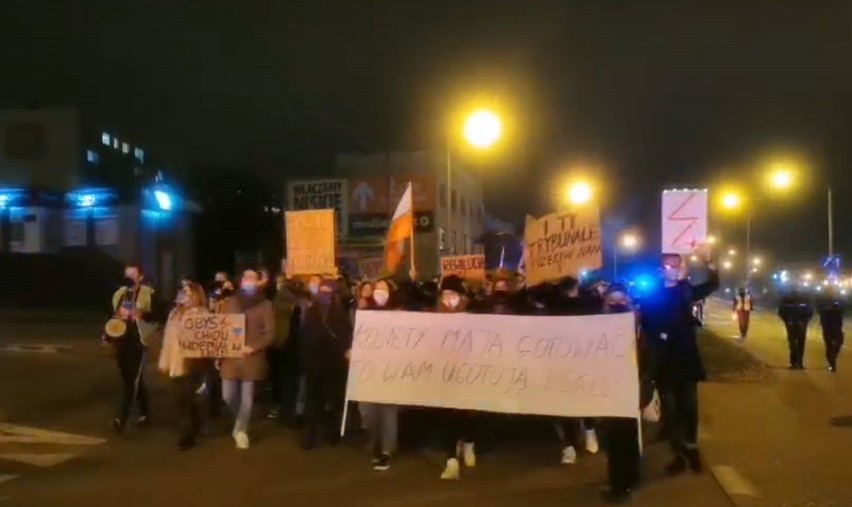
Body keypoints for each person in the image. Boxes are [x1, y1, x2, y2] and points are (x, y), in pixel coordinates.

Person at [641, 248, 719, 476]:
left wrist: (710, 262)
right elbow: (646, 322)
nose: (673, 269)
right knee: (670, 411)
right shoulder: (652, 294)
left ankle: (691, 448)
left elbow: (713, 284)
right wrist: (662, 335)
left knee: (689, 407)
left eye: (677, 265)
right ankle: (678, 454)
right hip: (664, 361)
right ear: (661, 269)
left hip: (685, 358)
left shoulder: (686, 291)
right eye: (668, 265)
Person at [219, 269, 275, 449]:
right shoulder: (230, 302)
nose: (248, 281)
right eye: (246, 278)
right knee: (227, 396)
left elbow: (270, 334)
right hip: (230, 357)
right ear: (241, 281)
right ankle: (241, 418)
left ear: (258, 282)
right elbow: (221, 327)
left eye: (252, 279)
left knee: (247, 400)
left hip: (251, 358)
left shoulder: (266, 305)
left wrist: (253, 347)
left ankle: (241, 430)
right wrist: (219, 353)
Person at [600, 285, 643, 504]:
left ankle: (621, 484)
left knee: (624, 438)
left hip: (630, 388)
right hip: (608, 389)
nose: (617, 306)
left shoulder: (639, 327)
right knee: (614, 439)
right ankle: (622, 480)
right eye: (611, 302)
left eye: (621, 302)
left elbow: (647, 356)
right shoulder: (596, 328)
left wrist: (646, 387)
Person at [552, 277, 601, 464]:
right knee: (576, 401)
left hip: (576, 360)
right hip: (568, 361)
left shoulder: (555, 305)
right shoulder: (588, 302)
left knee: (569, 404)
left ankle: (572, 444)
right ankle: (586, 433)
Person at [106, 264, 160, 433]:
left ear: (140, 277)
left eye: (133, 274)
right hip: (121, 342)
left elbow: (159, 316)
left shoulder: (149, 294)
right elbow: (112, 317)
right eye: (126, 274)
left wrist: (141, 314)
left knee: (132, 381)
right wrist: (107, 335)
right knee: (130, 377)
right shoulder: (119, 294)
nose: (129, 277)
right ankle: (144, 412)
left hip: (139, 341)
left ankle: (121, 418)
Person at [301, 278, 353, 449]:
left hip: (334, 362)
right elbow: (304, 335)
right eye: (322, 290)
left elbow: (346, 334)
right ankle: (310, 435)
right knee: (313, 400)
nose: (324, 293)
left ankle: (332, 432)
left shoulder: (340, 313)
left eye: (328, 290)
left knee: (333, 399)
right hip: (315, 362)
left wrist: (345, 351)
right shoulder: (311, 312)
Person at [158, 283, 209, 450]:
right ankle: (194, 426)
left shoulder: (202, 314)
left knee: (188, 399)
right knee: (178, 400)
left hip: (193, 363)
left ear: (195, 295)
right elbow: (167, 340)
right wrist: (164, 361)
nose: (184, 295)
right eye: (182, 292)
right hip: (176, 363)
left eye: (187, 293)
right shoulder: (174, 314)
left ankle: (188, 435)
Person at [357, 278, 400, 471]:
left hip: (390, 371)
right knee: (368, 412)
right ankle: (374, 441)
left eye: (384, 290)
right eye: (377, 290)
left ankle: (386, 451)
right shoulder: (364, 313)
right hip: (369, 370)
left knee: (388, 413)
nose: (380, 293)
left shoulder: (399, 315)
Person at [438, 275, 478, 481]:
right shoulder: (435, 316)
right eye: (445, 294)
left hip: (468, 373)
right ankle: (451, 458)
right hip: (445, 375)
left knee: (467, 413)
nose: (448, 298)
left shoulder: (471, 314)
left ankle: (469, 443)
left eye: (452, 294)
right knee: (448, 415)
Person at [267, 272, 297, 419]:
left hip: (282, 345)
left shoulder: (280, 299)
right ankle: (288, 408)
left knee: (281, 379)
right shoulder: (294, 299)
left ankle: (283, 407)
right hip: (288, 345)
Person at [778, 289, 813, 370]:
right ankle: (795, 362)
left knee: (798, 343)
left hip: (800, 325)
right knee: (794, 344)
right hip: (792, 325)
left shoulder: (805, 300)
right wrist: (787, 321)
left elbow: (810, 312)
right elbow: (781, 312)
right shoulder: (786, 300)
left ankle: (798, 362)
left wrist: (804, 321)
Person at [818, 287, 845, 372]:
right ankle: (832, 364)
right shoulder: (824, 303)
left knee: (834, 347)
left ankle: (832, 361)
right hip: (830, 330)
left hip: (835, 330)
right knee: (830, 347)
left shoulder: (837, 303)